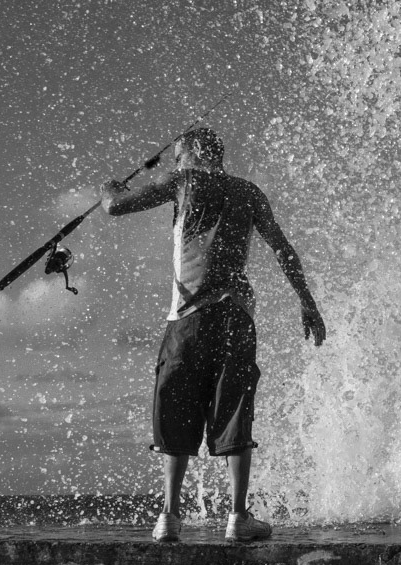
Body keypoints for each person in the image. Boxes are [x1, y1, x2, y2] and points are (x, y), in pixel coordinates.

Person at [101, 126, 326, 543]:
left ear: (189, 155)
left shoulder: (183, 181)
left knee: (176, 408)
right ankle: (238, 517)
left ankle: (169, 516)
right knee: (234, 410)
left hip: (187, 321)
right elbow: (282, 248)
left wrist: (109, 187)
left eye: (176, 156)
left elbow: (114, 206)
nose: (173, 163)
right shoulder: (249, 192)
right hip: (236, 318)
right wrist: (306, 301)